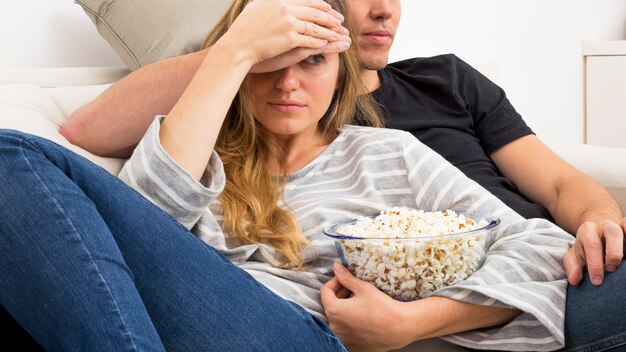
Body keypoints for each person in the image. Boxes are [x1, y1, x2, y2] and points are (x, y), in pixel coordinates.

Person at [0, 0, 578, 351]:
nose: (288, 84)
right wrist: (235, 53)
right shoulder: (200, 147)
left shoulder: (388, 153)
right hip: (169, 324)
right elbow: (143, 230)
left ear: (342, 72)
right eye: (270, 63)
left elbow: (543, 247)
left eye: (312, 61)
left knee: (12, 157)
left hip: (296, 334)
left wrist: (414, 320)